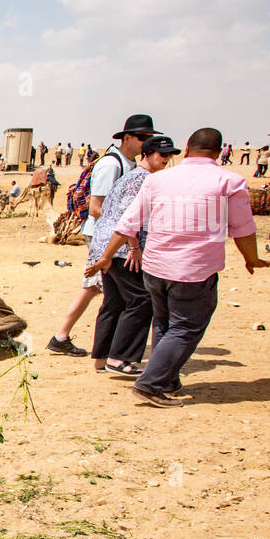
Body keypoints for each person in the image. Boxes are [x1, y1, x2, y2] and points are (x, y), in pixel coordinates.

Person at [98, 128, 270, 407]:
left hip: (155, 268)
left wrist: (107, 255)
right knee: (185, 327)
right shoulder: (229, 181)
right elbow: (243, 228)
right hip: (193, 270)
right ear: (218, 153)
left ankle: (167, 379)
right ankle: (151, 384)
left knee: (165, 324)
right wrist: (250, 258)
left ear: (188, 149)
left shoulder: (159, 180)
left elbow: (128, 222)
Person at [47, 114, 154, 357]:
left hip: (116, 237)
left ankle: (77, 341)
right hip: (105, 237)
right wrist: (126, 233)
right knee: (102, 290)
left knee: (101, 290)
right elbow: (97, 208)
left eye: (149, 138)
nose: (145, 143)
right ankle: (63, 337)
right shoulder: (111, 165)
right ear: (127, 137)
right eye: (141, 138)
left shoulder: (129, 164)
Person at [84, 135, 181, 376]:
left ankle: (102, 357)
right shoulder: (143, 179)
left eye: (169, 155)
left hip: (107, 245)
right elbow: (129, 217)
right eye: (162, 155)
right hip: (122, 248)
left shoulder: (131, 176)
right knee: (141, 300)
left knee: (114, 302)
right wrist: (135, 247)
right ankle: (120, 358)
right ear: (146, 154)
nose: (166, 160)